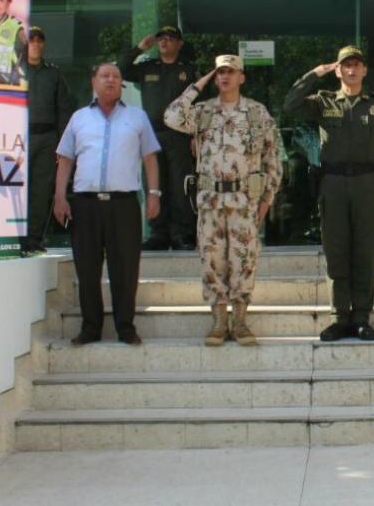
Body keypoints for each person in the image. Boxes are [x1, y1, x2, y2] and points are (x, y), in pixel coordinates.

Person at [284, 46, 374, 342]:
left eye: (356, 65)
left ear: (364, 70)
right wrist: (315, 73)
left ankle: (361, 317)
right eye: (345, 65)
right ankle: (339, 317)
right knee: (335, 250)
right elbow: (290, 103)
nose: (351, 70)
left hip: (367, 183)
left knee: (364, 251)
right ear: (337, 70)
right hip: (333, 183)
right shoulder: (323, 101)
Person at [164, 54, 282, 347]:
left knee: (244, 259)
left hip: (245, 201)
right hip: (211, 201)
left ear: (242, 77)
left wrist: (267, 198)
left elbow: (273, 158)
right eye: (220, 73)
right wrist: (199, 84)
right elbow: (171, 116)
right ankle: (218, 321)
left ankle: (239, 321)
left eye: (231, 72)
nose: (225, 77)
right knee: (211, 259)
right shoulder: (202, 111)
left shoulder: (257, 113)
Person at [53, 62, 161, 346]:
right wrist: (59, 196)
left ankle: (125, 326)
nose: (110, 80)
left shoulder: (137, 117)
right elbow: (65, 159)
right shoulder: (79, 118)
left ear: (121, 84)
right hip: (85, 204)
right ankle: (90, 328)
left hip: (123, 204)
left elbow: (150, 158)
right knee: (87, 269)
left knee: (125, 269)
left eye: (115, 76)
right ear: (94, 82)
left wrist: (154, 194)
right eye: (104, 76)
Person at [120, 25, 199, 250]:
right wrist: (139, 49)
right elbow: (121, 70)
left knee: (179, 185)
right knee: (154, 184)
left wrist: (196, 135)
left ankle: (182, 233)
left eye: (170, 38)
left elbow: (200, 104)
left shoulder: (189, 70)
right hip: (152, 134)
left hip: (179, 135)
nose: (164, 42)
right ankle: (159, 233)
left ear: (179, 43)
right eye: (161, 38)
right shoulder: (147, 67)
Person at [22, 26, 75, 253]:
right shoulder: (14, 71)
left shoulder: (54, 74)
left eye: (39, 40)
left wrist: (63, 146)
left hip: (46, 138)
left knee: (41, 190)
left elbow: (63, 110)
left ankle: (34, 238)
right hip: (18, 137)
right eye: (31, 39)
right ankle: (13, 236)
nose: (35, 43)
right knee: (16, 187)